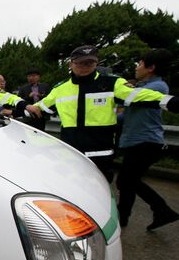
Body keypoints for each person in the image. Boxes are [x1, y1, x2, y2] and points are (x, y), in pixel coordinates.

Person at [26, 45, 179, 182]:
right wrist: (20, 109)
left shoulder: (112, 83)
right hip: (71, 155)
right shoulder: (60, 89)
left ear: (96, 63)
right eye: (81, 62)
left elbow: (140, 95)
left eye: (90, 63)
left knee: (101, 200)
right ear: (71, 63)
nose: (85, 66)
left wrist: (170, 102)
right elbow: (38, 108)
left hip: (101, 155)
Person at [116, 49, 179, 230]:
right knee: (127, 182)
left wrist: (121, 88)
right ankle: (124, 218)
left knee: (126, 181)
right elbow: (125, 116)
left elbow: (127, 99)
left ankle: (162, 210)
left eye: (140, 63)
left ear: (151, 67)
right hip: (136, 141)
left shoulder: (158, 87)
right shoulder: (143, 88)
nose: (137, 67)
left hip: (146, 142)